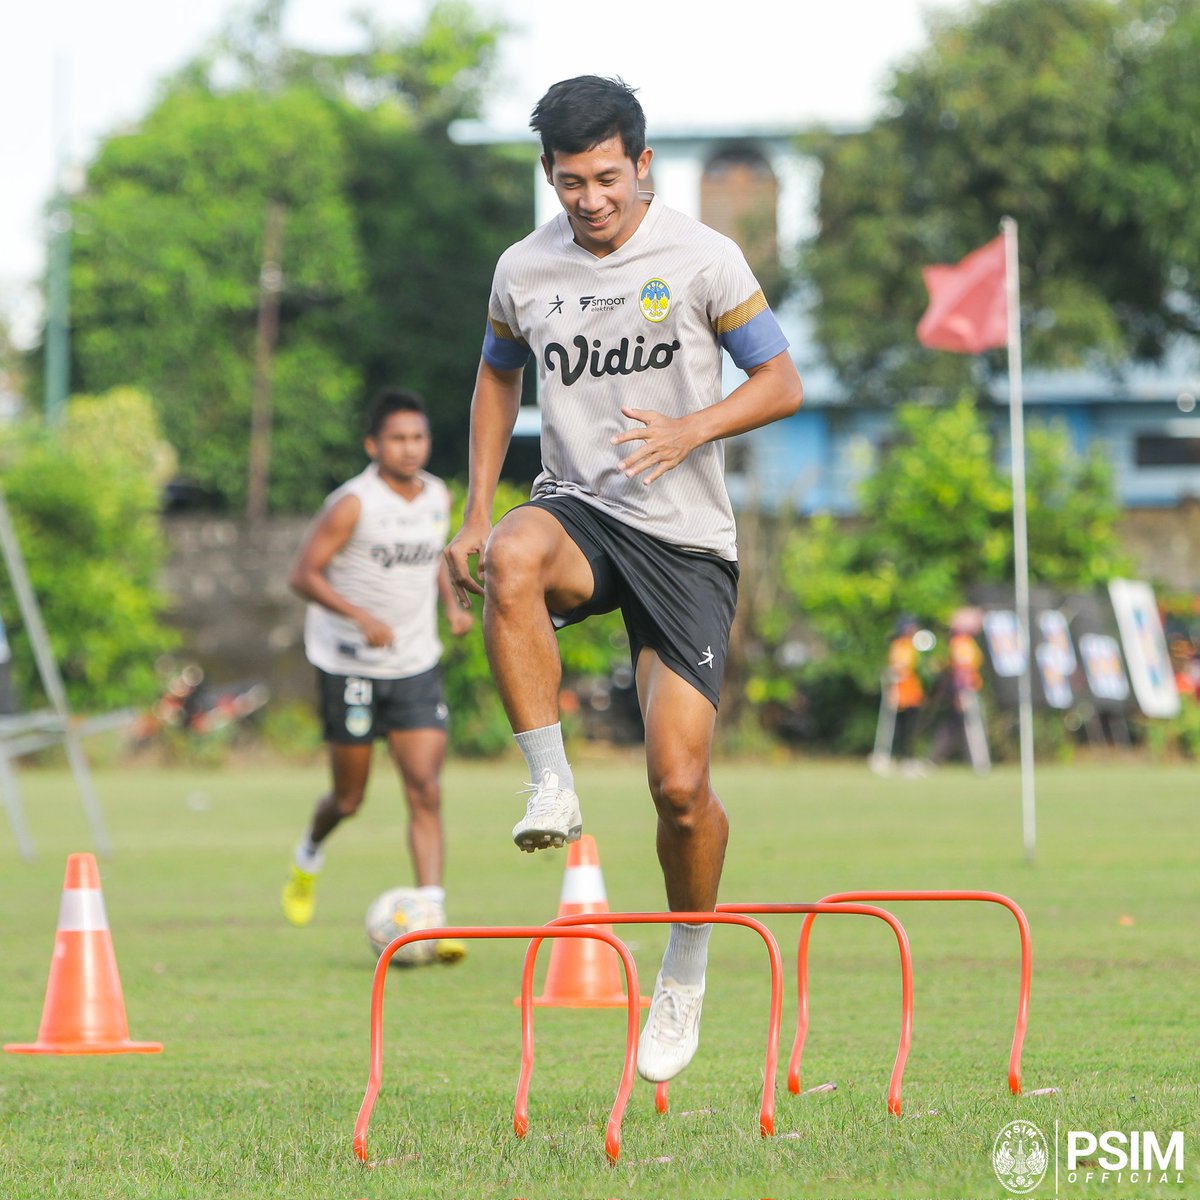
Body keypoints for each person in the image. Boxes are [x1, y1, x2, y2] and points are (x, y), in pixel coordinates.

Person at [443, 76, 803, 1083]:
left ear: (641, 165)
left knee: (679, 788)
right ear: (549, 177)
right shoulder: (523, 268)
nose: (590, 200)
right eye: (569, 183)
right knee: (511, 552)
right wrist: (475, 505)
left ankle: (685, 966)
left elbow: (782, 380)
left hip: (685, 542)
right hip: (582, 512)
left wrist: (694, 426)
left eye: (606, 178)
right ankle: (549, 783)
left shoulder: (703, 258)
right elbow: (495, 374)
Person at [282, 388, 474, 960]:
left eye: (418, 437)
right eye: (398, 438)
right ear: (374, 445)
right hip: (351, 667)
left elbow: (435, 555)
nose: (410, 448)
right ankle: (309, 854)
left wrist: (452, 605)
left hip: (415, 663)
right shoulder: (352, 504)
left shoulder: (438, 495)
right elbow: (303, 574)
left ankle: (432, 919)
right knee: (348, 799)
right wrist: (359, 616)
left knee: (426, 789)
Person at [871, 616, 926, 777]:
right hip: (901, 696)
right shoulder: (899, 646)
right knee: (900, 729)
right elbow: (897, 669)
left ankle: (909, 758)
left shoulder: (911, 646)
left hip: (912, 694)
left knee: (911, 729)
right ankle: (898, 758)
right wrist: (892, 690)